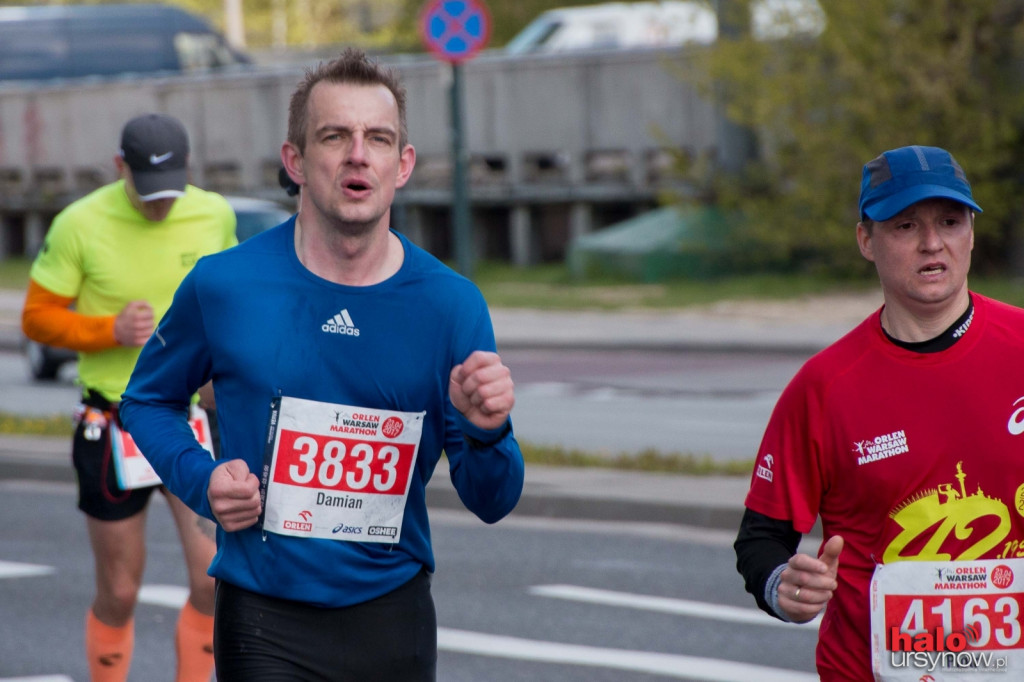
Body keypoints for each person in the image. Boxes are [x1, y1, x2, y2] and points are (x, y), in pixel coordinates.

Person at [119, 48, 525, 680]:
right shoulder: (224, 285)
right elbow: (146, 400)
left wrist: (487, 431)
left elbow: (493, 500)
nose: (358, 154)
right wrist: (202, 480)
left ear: (403, 165)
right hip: (263, 619)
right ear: (296, 161)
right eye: (335, 136)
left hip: (392, 616)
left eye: (378, 138)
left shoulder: (450, 305)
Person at [734, 145, 1024, 680]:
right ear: (866, 240)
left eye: (950, 221)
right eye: (905, 225)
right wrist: (783, 586)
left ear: (972, 234)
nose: (932, 243)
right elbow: (761, 539)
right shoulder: (823, 386)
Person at [21, 113, 237, 682]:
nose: (161, 206)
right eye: (147, 193)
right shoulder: (79, 223)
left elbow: (234, 302)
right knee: (119, 589)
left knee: (214, 580)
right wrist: (106, 331)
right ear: (120, 168)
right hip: (112, 418)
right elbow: (35, 319)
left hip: (187, 418)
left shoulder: (214, 213)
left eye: (171, 192)